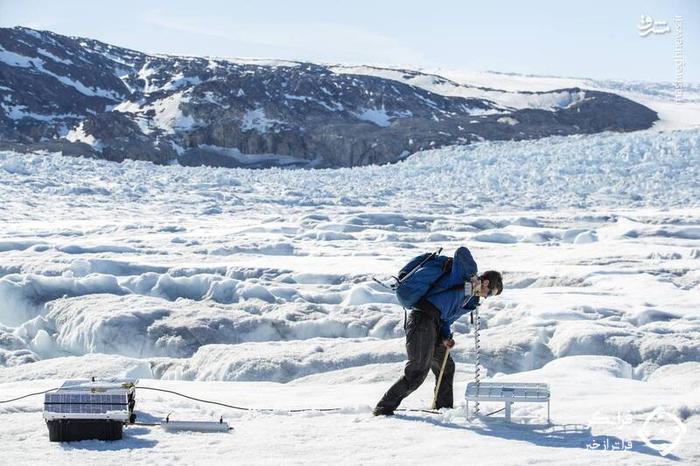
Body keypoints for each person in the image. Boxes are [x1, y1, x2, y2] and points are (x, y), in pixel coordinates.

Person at [373, 246, 503, 416]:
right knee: (418, 370)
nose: (487, 297)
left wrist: (445, 337)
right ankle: (384, 408)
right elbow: (461, 252)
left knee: (446, 366)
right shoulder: (462, 277)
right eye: (491, 292)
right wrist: (472, 277)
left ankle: (444, 409)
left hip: (434, 325)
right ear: (485, 282)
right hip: (421, 320)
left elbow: (446, 318)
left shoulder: (468, 298)